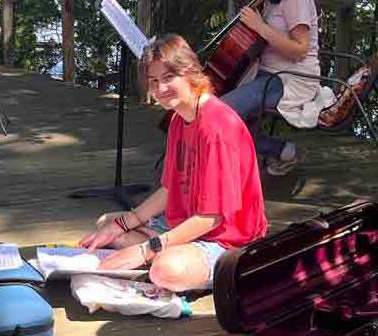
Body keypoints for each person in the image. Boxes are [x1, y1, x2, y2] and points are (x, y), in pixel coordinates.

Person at [80, 34, 268, 291]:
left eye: (169, 78)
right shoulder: (180, 118)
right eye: (154, 81)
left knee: (165, 271)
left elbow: (210, 219)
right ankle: (163, 250)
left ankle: (182, 261)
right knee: (108, 224)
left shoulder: (217, 127)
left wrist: (147, 249)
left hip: (225, 240)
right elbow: (169, 190)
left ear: (190, 73)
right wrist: (123, 223)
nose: (160, 89)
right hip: (182, 223)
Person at [219, 0, 322, 175]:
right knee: (212, 108)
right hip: (266, 74)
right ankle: (283, 151)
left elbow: (299, 50)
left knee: (220, 113)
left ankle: (279, 152)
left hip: (290, 78)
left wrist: (259, 27)